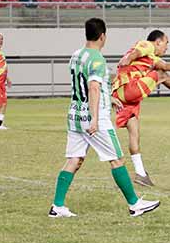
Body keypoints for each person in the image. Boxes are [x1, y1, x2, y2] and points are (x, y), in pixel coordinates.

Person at [49, 18, 160, 218]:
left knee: (75, 159)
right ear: (103, 36)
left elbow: (83, 85)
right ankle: (135, 204)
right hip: (95, 119)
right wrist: (94, 118)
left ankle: (57, 206)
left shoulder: (76, 55)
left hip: (75, 114)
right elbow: (92, 86)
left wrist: (109, 99)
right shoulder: (98, 59)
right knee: (116, 159)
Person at [111, 29, 170, 186]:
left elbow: (164, 66)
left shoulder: (151, 58)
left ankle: (140, 173)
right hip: (129, 87)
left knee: (134, 131)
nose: (167, 47)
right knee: (160, 75)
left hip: (121, 96)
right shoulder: (148, 45)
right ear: (158, 41)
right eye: (166, 43)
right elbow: (137, 51)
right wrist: (128, 58)